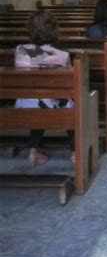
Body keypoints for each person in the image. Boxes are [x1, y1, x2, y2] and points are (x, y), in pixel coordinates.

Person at [14, 11, 73, 166]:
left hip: (24, 104)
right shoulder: (62, 55)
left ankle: (33, 150)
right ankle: (75, 151)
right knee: (72, 101)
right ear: (54, 30)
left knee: (38, 96)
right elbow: (68, 85)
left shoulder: (20, 50)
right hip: (50, 106)